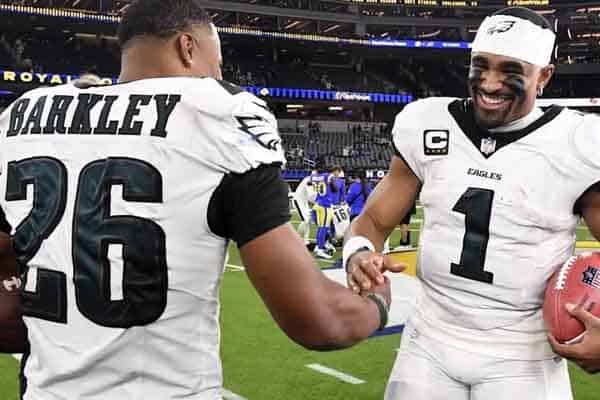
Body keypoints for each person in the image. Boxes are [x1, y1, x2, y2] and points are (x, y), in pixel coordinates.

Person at [0, 1, 393, 399]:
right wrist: (377, 303)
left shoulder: (21, 116)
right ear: (187, 47)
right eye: (217, 62)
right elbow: (320, 321)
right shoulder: (219, 113)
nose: (219, 75)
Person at [345, 6, 600, 400]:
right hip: (428, 339)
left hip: (523, 352)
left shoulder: (578, 143)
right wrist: (359, 254)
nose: (490, 83)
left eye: (510, 70)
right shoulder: (426, 121)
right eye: (480, 66)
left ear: (544, 76)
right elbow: (374, 222)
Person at [292, 170, 317, 246]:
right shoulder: (309, 180)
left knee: (307, 220)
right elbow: (311, 196)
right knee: (305, 220)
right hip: (298, 201)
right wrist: (318, 201)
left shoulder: (311, 180)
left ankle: (306, 241)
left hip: (303, 202)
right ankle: (297, 239)